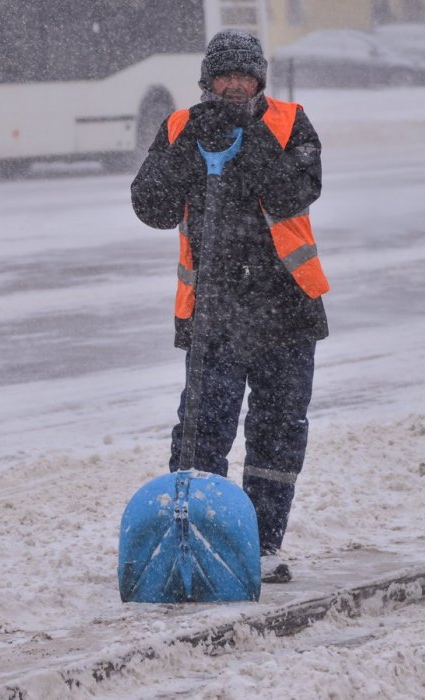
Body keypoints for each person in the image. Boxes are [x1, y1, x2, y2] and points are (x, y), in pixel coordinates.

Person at [130, 30, 329, 584]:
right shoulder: (181, 127)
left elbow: (296, 191)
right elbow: (151, 206)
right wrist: (189, 149)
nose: (235, 84)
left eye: (245, 75)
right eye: (225, 76)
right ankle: (193, 536)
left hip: (286, 307)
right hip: (214, 310)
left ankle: (263, 545)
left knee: (278, 430)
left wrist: (252, 137)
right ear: (207, 80)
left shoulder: (291, 124)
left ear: (260, 79)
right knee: (201, 431)